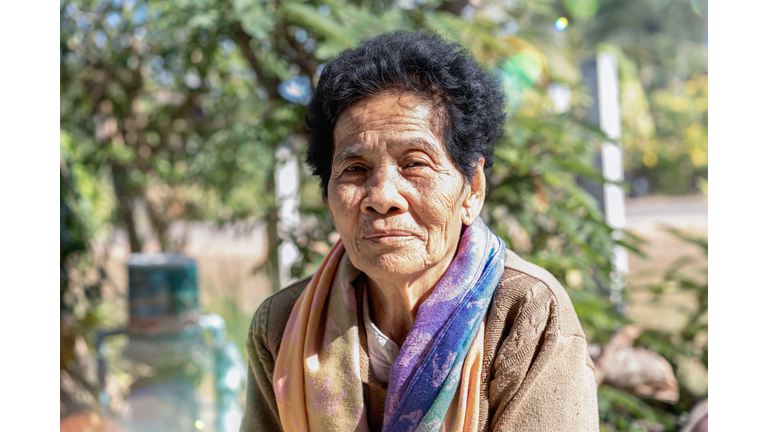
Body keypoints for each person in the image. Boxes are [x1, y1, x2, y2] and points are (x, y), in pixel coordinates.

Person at [240, 31, 599, 432]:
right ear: (328, 196)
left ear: (473, 188)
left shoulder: (524, 312)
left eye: (415, 163)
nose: (381, 196)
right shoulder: (283, 326)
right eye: (354, 169)